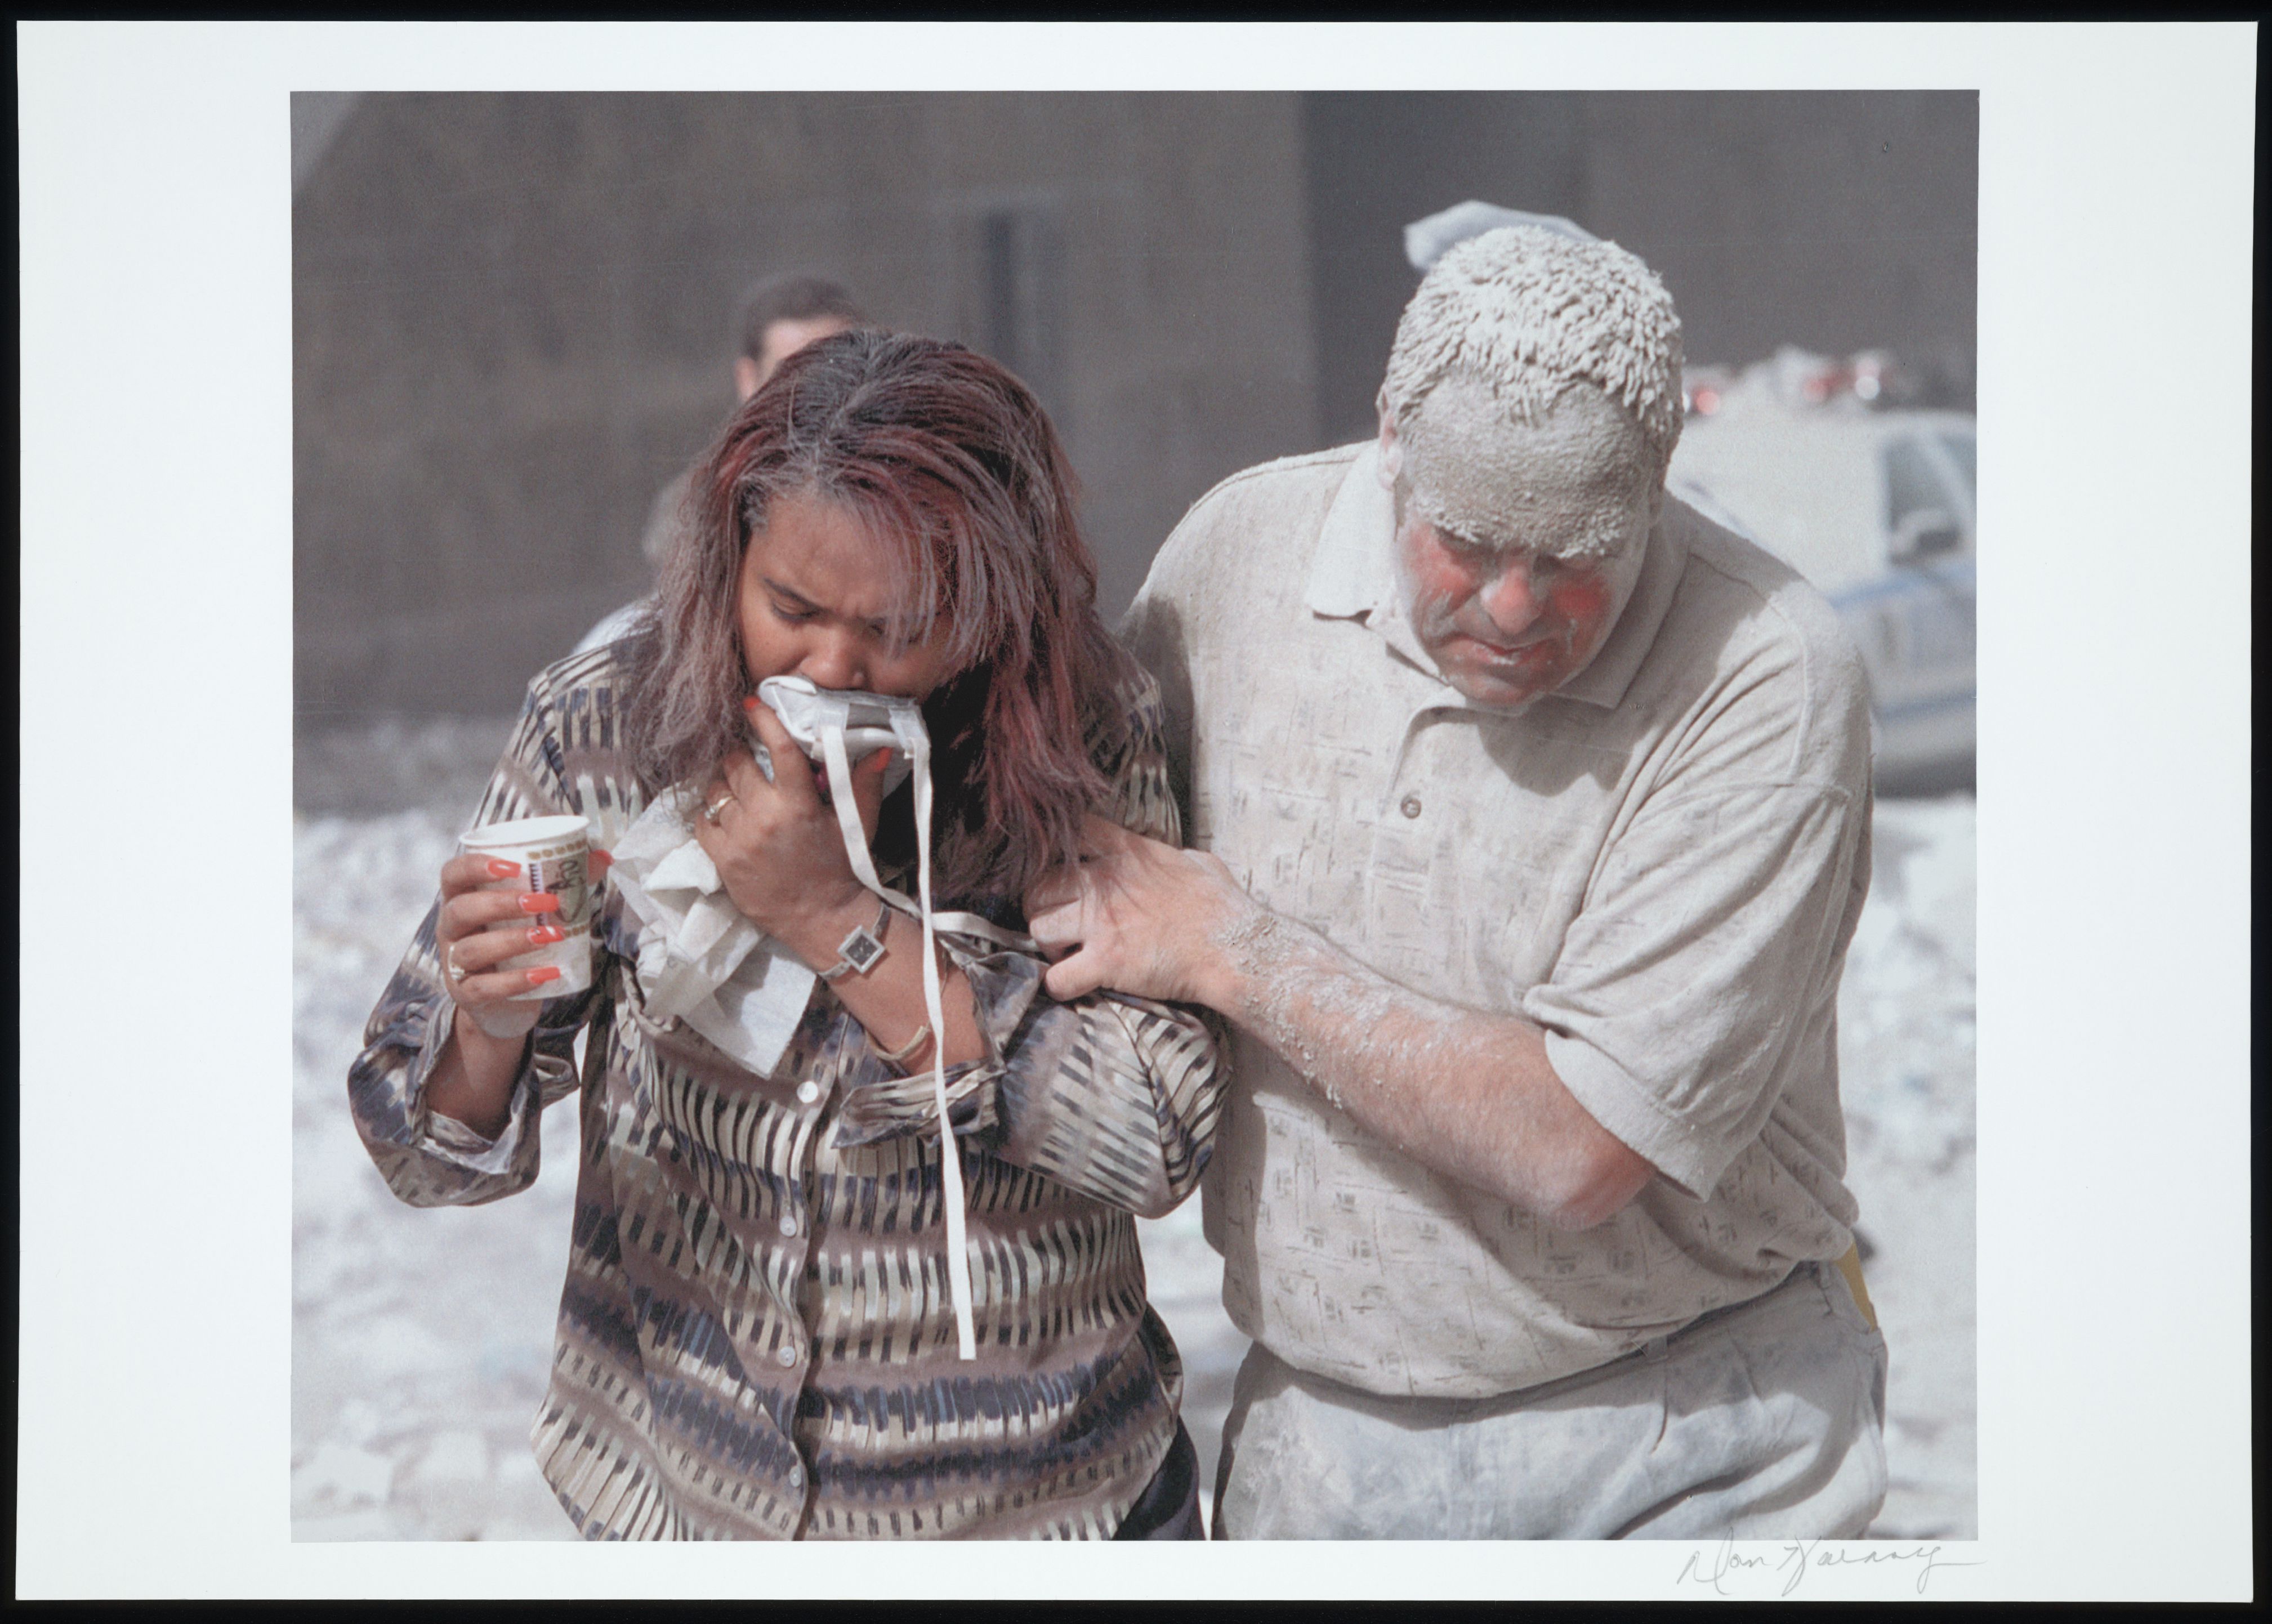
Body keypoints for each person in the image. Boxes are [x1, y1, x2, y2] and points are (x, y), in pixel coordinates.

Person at [1022, 225, 1888, 1540]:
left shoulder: (1763, 677)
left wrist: (1233, 949)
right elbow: (1085, 857)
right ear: (1387, 439)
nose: (1515, 604)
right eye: (1467, 539)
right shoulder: (1238, 559)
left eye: (1578, 550)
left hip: (1688, 1440)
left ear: (1660, 480)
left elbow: (1579, 1146)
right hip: (1319, 1444)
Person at [350, 329, 1225, 1540]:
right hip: (680, 1496)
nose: (833, 664)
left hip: (1035, 1505)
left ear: (995, 604)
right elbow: (422, 1151)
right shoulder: (607, 722)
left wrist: (836, 916)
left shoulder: (1080, 740)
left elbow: (1158, 1134)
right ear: (729, 560)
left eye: (903, 623)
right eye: (793, 608)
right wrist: (489, 1024)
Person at [575, 274, 868, 653]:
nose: (819, 389)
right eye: (792, 372)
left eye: (838, 365)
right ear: (749, 378)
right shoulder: (699, 507)